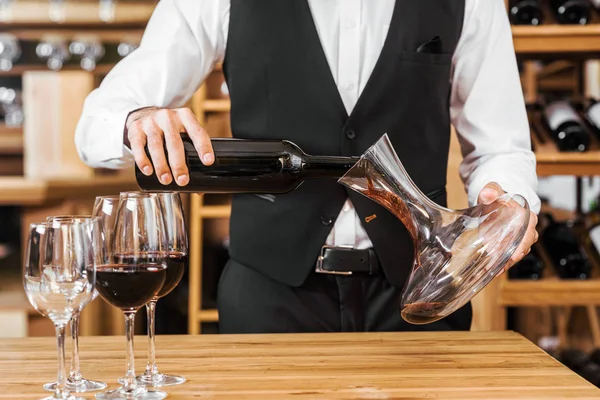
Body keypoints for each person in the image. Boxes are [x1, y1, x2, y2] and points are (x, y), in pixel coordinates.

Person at [75, 0, 540, 334]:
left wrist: (510, 202)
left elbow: (501, 147)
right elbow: (95, 125)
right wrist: (137, 120)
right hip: (268, 299)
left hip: (420, 297)